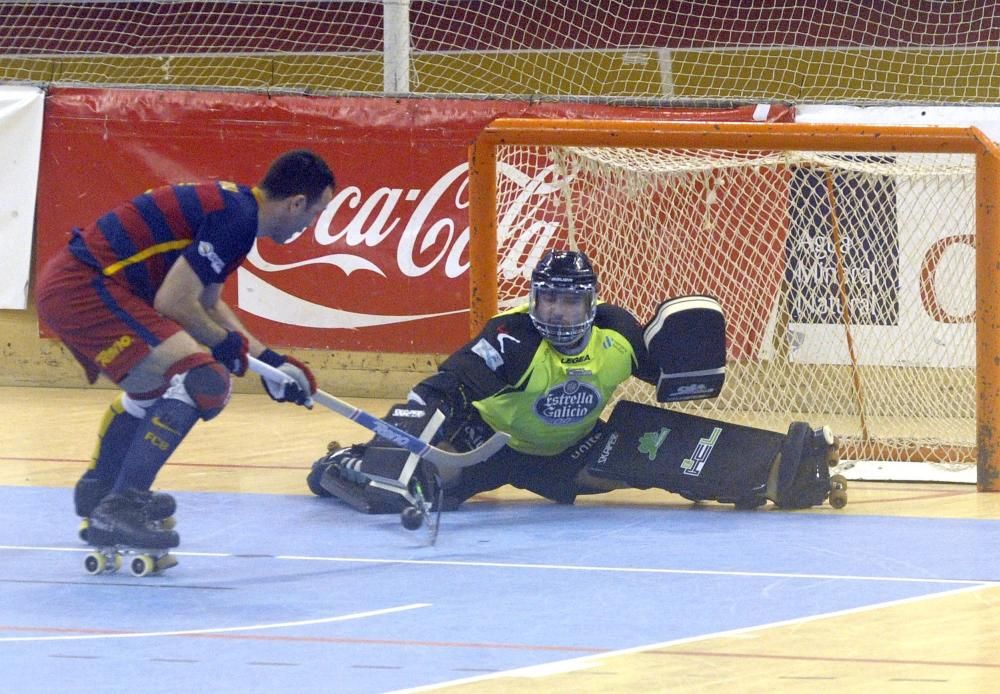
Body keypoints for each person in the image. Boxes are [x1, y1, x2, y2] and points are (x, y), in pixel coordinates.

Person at [306, 249, 841, 516]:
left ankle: (775, 470)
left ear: (591, 302)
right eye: (547, 299)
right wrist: (392, 449)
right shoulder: (510, 339)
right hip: (486, 444)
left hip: (572, 448)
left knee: (659, 455)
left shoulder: (618, 332)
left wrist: (689, 357)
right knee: (412, 496)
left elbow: (668, 380)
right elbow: (438, 392)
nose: (557, 313)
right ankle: (341, 466)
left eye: (569, 301)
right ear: (535, 298)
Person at [37, 149, 335, 551]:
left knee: (154, 388)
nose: (309, 224)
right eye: (314, 213)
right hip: (84, 288)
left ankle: (102, 490)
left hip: (80, 285)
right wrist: (222, 345)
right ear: (297, 202)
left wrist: (272, 363)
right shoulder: (237, 218)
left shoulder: (238, 211)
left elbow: (208, 303)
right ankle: (121, 506)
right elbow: (174, 302)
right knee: (205, 377)